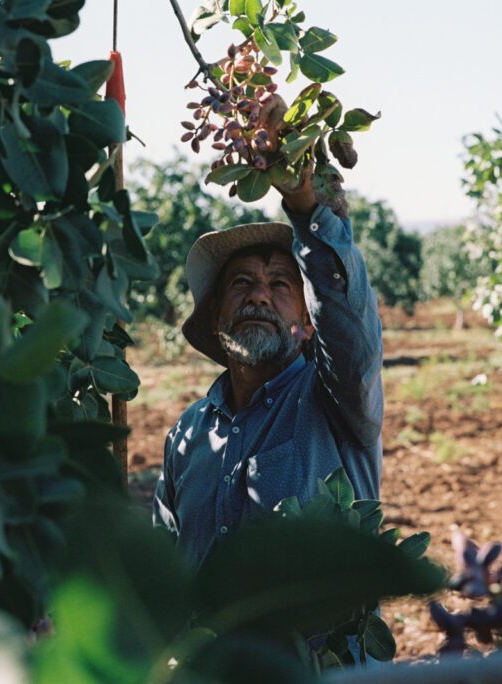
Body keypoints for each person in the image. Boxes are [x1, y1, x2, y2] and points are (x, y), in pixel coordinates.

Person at [152, 159, 384, 569]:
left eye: (279, 285)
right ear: (214, 315)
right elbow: (163, 573)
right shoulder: (187, 434)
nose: (259, 296)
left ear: (309, 323)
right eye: (242, 283)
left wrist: (304, 205)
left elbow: (351, 336)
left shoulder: (336, 403)